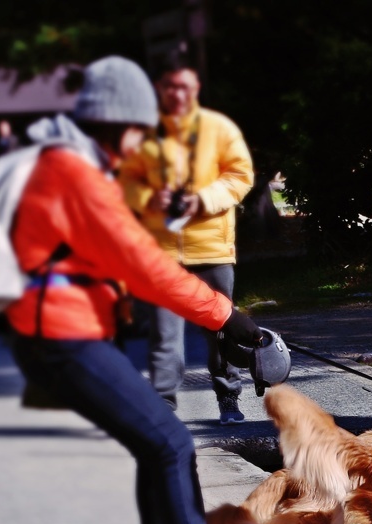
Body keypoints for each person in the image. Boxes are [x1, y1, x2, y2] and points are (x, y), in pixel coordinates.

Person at [7, 55, 275, 524]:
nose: (138, 141)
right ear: (118, 121)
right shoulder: (76, 174)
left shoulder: (69, 165)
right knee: (170, 442)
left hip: (57, 330)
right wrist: (229, 318)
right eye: (136, 127)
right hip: (59, 336)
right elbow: (145, 265)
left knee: (156, 442)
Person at [119, 49, 254, 422]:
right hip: (163, 252)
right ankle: (164, 404)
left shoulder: (219, 128)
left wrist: (203, 199)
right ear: (159, 90)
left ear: (194, 87)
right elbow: (126, 183)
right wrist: (150, 198)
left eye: (183, 87)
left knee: (221, 329)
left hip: (212, 246)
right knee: (164, 335)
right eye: (169, 87)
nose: (176, 94)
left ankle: (229, 398)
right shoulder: (144, 134)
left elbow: (240, 176)